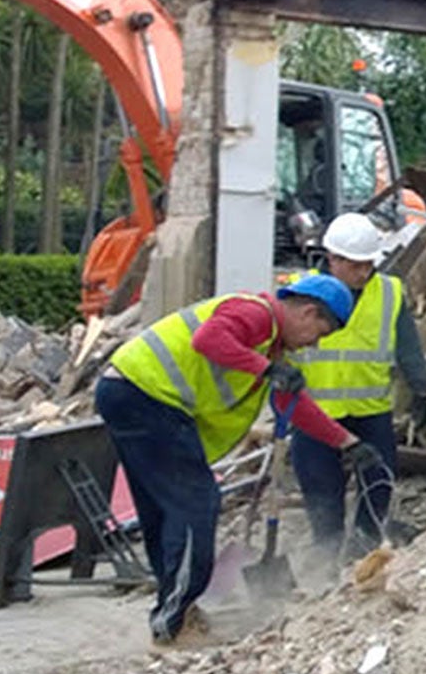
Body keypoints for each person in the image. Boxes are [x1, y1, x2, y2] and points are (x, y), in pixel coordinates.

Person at [96, 274, 384, 646]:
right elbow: (207, 339)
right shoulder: (257, 313)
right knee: (196, 503)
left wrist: (347, 443)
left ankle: (174, 610)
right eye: (320, 332)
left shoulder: (271, 346)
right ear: (309, 312)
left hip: (130, 392)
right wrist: (266, 369)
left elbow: (291, 406)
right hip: (148, 396)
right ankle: (175, 619)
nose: (315, 343)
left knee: (163, 510)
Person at [289, 212, 426, 554]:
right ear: (332, 259)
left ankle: (364, 550)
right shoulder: (300, 293)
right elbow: (277, 348)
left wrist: (421, 387)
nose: (364, 272)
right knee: (322, 492)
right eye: (355, 265)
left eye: (368, 263)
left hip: (371, 412)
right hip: (316, 413)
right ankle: (327, 556)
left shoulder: (389, 292)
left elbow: (407, 345)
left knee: (378, 483)